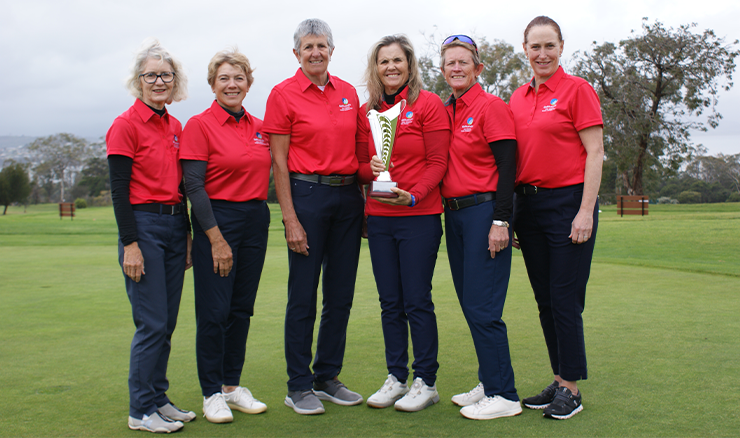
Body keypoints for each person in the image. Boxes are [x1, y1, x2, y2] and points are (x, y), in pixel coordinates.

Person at [263, 18, 365, 415]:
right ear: (296, 54)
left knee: (340, 296)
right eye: (308, 47)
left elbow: (360, 155)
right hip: (306, 195)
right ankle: (298, 384)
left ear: (332, 50)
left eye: (322, 45)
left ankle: (326, 376)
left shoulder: (348, 95)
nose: (316, 52)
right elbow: (279, 162)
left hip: (347, 199)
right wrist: (289, 217)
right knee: (303, 296)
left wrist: (367, 201)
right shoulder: (282, 94)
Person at [509, 16, 604, 420]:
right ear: (525, 50)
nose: (542, 54)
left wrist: (585, 211)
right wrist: (512, 215)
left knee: (565, 299)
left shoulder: (577, 89)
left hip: (569, 204)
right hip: (528, 207)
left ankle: (572, 389)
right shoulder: (516, 97)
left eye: (550, 46)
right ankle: (559, 378)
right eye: (535, 47)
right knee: (545, 300)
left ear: (561, 47)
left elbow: (596, 152)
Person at [356, 34, 450, 412]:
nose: (391, 67)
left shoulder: (427, 105)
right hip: (380, 220)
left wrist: (413, 195)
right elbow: (359, 166)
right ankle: (396, 377)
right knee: (389, 302)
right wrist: (370, 168)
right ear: (375, 68)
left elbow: (438, 163)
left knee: (416, 301)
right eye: (383, 61)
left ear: (410, 65)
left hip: (419, 217)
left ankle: (425, 381)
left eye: (398, 60)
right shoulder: (369, 112)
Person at [107, 39, 195, 433]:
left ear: (174, 81)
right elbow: (119, 191)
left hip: (176, 226)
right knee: (152, 324)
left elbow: (181, 185)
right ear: (138, 81)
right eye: (151, 75)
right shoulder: (125, 125)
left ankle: (159, 398)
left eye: (165, 75)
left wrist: (189, 234)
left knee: (168, 322)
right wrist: (130, 244)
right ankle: (141, 410)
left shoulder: (174, 125)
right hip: (143, 228)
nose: (158, 81)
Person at [180, 48, 271, 424]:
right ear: (213, 85)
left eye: (238, 78)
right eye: (224, 79)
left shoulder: (261, 127)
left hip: (255, 219)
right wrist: (215, 238)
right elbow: (194, 186)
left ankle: (232, 386)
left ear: (249, 83)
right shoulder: (199, 125)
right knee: (214, 312)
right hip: (217, 219)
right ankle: (211, 392)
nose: (232, 84)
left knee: (241, 308)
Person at [439, 35, 522, 421]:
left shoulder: (491, 107)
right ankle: (489, 381)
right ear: (443, 70)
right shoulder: (445, 109)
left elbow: (509, 168)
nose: (456, 68)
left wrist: (502, 220)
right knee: (471, 304)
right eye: (449, 63)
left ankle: (504, 394)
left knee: (484, 307)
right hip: (453, 215)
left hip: (483, 213)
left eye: (463, 62)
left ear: (478, 68)